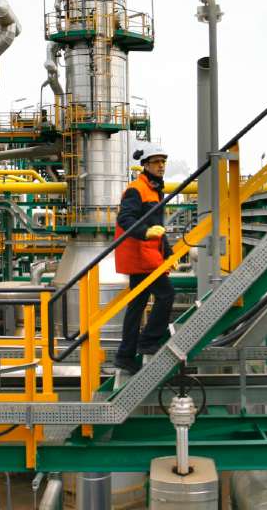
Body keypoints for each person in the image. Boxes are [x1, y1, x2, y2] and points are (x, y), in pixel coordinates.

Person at [112, 141, 177, 375]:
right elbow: (125, 219)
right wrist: (145, 232)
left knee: (137, 305)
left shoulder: (154, 189)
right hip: (140, 255)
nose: (161, 166)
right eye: (157, 162)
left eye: (163, 162)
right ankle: (148, 341)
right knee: (166, 294)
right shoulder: (136, 189)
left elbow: (157, 224)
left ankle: (125, 355)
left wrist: (168, 252)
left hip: (148, 254)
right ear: (145, 165)